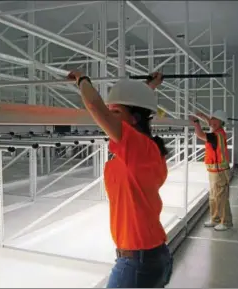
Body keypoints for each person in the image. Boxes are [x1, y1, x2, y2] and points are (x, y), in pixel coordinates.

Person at [68, 71, 173, 288]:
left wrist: (82, 80)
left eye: (115, 111)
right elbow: (134, 107)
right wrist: (148, 87)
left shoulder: (139, 148)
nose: (110, 115)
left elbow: (97, 109)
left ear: (134, 119)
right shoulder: (147, 150)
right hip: (150, 256)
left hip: (136, 263)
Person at [189, 110, 233, 231]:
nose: (211, 121)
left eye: (214, 119)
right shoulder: (217, 131)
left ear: (220, 122)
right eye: (211, 119)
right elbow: (212, 124)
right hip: (214, 171)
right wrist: (204, 117)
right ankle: (216, 219)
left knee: (221, 197)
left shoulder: (216, 135)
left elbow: (200, 135)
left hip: (220, 172)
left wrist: (196, 122)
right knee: (213, 197)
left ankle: (226, 222)